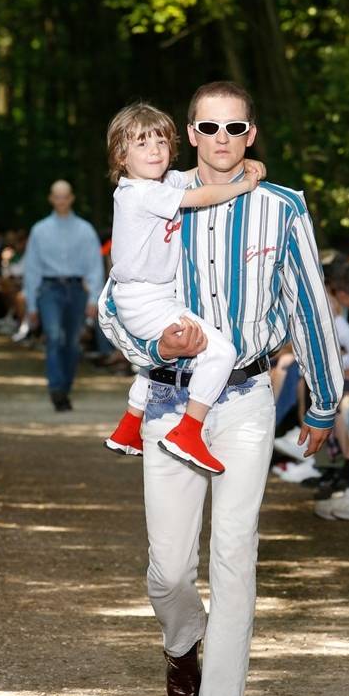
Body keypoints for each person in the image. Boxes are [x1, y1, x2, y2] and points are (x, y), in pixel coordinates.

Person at [99, 80, 343, 696]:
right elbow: (112, 303)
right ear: (190, 133)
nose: (222, 140)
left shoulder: (282, 207)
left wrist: (324, 399)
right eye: (209, 128)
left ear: (251, 133)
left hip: (246, 399)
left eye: (235, 128)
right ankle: (182, 644)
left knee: (235, 554)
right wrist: (153, 346)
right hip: (170, 398)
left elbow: (309, 304)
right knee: (169, 570)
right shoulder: (158, 194)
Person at [104, 102, 263, 474]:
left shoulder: (159, 183)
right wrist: (243, 185)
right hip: (143, 298)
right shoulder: (140, 193)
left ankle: (129, 427)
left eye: (161, 142)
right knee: (221, 352)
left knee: (167, 355)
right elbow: (201, 195)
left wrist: (245, 164)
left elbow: (195, 175)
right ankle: (188, 431)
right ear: (122, 157)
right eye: (142, 144)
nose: (154, 151)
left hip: (154, 294)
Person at [23, 180, 104, 411]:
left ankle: (64, 388)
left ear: (71, 198)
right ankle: (56, 389)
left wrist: (94, 298)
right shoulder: (39, 230)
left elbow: (95, 266)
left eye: (65, 196)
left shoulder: (85, 230)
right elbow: (32, 269)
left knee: (72, 342)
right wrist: (31, 304)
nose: (61, 201)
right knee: (54, 336)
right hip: (49, 289)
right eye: (57, 196)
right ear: (51, 198)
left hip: (77, 289)